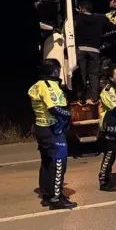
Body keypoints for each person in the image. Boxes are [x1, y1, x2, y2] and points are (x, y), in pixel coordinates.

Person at [27, 59, 77, 209]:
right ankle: (56, 199)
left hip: (41, 127)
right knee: (59, 163)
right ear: (55, 71)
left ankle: (47, 195)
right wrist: (69, 114)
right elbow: (54, 108)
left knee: (47, 162)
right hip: (53, 128)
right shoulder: (49, 86)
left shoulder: (36, 85)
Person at [74, 1, 116, 105]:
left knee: (81, 74)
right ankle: (94, 98)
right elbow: (114, 27)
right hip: (94, 51)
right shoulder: (100, 18)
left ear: (82, 9)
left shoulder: (78, 18)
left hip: (81, 50)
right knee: (94, 75)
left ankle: (82, 98)